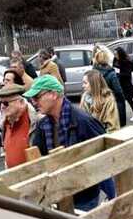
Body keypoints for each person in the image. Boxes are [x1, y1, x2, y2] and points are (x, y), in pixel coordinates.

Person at [24, 75, 111, 210]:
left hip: (83, 197)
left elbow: (105, 158)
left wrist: (113, 197)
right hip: (56, 196)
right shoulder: (43, 125)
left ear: (53, 94)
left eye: (37, 97)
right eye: (32, 99)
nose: (34, 102)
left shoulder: (83, 121)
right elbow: (37, 160)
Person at [0, 80, 39, 168]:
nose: (2, 107)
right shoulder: (3, 123)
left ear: (21, 102)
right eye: (1, 103)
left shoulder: (36, 121)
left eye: (6, 103)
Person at [93, 47, 127, 127]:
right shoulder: (111, 74)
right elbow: (118, 91)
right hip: (111, 104)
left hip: (97, 104)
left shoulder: (93, 72)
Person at [114, 47, 133, 122]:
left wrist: (118, 74)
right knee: (120, 99)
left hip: (126, 84)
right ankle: (120, 114)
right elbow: (114, 67)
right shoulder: (115, 60)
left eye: (116, 54)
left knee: (129, 99)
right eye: (114, 53)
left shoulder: (126, 61)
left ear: (120, 54)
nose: (115, 55)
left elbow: (127, 74)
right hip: (118, 83)